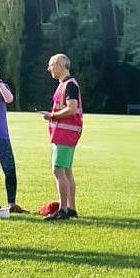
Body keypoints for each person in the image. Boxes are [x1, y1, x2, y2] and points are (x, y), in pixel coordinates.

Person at [41, 53, 83, 221]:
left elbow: (72, 108)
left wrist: (52, 116)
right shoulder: (66, 84)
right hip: (67, 133)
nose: (49, 68)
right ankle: (71, 208)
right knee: (66, 171)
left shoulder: (69, 85)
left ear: (60, 64)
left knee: (58, 170)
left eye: (51, 65)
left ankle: (63, 210)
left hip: (65, 134)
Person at [0, 59, 26, 216]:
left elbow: (9, 99)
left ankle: (12, 203)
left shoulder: (1, 87)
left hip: (0, 135)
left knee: (9, 167)